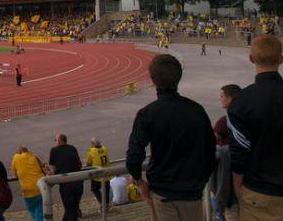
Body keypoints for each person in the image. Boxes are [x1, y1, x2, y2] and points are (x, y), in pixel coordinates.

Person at [126, 54, 216, 221]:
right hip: (192, 193)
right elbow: (210, 151)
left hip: (163, 193)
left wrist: (139, 182)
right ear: (179, 77)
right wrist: (201, 180)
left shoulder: (147, 114)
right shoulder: (197, 111)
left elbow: (133, 156)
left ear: (152, 79)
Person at [227, 35, 283, 220]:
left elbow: (239, 151)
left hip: (258, 193)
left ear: (251, 59)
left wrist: (238, 187)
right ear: (280, 59)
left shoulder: (241, 101)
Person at [211, 84, 241, 221]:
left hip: (228, 182)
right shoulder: (248, 120)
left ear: (230, 99)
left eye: (222, 96)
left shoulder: (223, 122)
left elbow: (213, 144)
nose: (220, 99)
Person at [48, 133, 83, 221]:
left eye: (55, 140)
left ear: (59, 141)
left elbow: (53, 169)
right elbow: (79, 164)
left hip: (66, 184)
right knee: (73, 208)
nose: (55, 142)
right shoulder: (73, 148)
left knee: (70, 209)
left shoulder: (54, 150)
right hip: (79, 181)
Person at [11, 146, 44, 221]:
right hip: (39, 188)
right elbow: (41, 168)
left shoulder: (16, 157)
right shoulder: (34, 156)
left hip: (27, 191)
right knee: (39, 212)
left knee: (32, 210)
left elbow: (14, 172)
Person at [86, 138, 111, 212]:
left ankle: (103, 204)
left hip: (97, 175)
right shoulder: (105, 148)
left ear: (93, 144)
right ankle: (106, 205)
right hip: (106, 173)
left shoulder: (91, 151)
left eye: (91, 143)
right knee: (106, 190)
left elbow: (88, 164)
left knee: (94, 189)